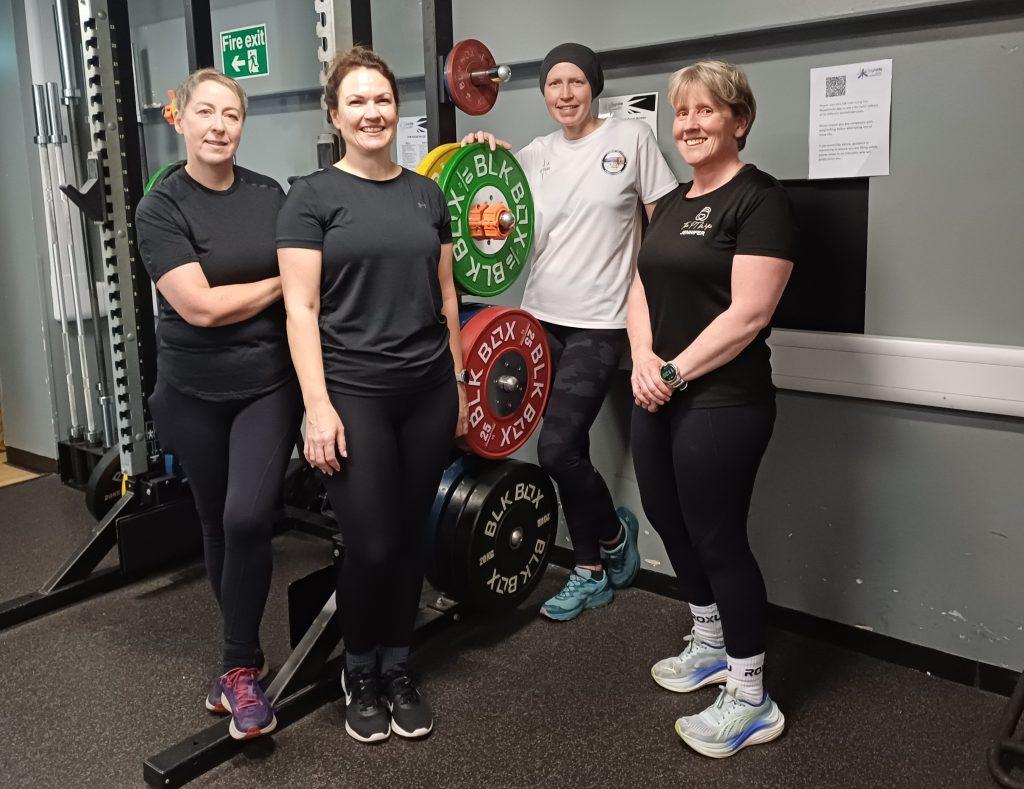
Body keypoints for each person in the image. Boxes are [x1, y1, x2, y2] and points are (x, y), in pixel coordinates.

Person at [277, 47, 466, 744]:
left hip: (426, 389)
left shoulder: (426, 193)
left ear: (397, 108)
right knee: (372, 543)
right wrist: (316, 405)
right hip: (353, 390)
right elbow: (299, 311)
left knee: (411, 538)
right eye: (356, 101)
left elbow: (446, 296)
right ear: (336, 115)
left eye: (382, 99)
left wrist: (461, 382)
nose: (371, 112)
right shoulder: (312, 197)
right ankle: (359, 670)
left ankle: (397, 665)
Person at [463, 43, 678, 621]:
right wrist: (479, 155)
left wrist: (655, 322)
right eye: (554, 83)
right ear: (543, 93)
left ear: (595, 87)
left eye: (576, 81)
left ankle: (611, 535)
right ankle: (589, 570)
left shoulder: (630, 139)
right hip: (539, 318)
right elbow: (488, 199)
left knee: (557, 447)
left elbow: (665, 228)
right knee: (563, 447)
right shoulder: (534, 156)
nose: (565, 93)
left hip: (603, 321)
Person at [628, 60, 797, 757]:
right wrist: (640, 358)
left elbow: (750, 314)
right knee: (668, 518)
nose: (690, 125)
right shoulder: (669, 204)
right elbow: (639, 284)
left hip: (723, 400)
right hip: (656, 389)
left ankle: (752, 695)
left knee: (719, 537)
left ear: (739, 120)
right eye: (682, 114)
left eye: (706, 111)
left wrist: (669, 370)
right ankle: (709, 638)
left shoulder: (760, 201)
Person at [136, 69, 301, 740]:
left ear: (241, 124)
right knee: (214, 519)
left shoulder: (271, 195)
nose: (217, 126)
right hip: (191, 392)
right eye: (205, 112)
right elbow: (199, 305)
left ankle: (236, 669)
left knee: (246, 516)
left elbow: (320, 255)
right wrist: (280, 281)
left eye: (230, 115)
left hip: (265, 383)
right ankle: (246, 651)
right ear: (180, 119)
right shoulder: (161, 207)